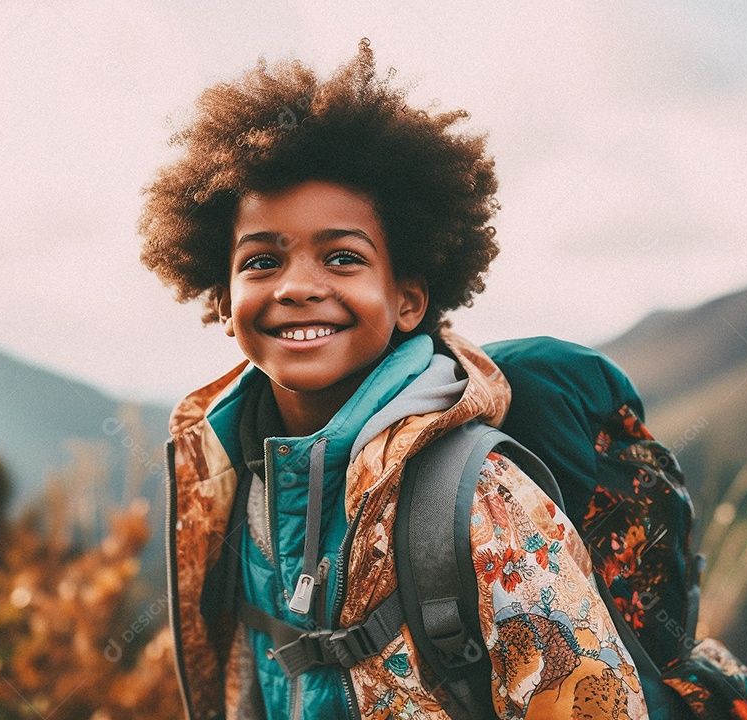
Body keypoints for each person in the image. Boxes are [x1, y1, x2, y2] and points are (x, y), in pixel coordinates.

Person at [140, 39, 647, 720]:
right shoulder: (229, 479)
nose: (296, 287)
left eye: (342, 257)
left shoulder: (482, 499)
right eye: (261, 261)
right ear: (225, 304)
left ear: (407, 299)